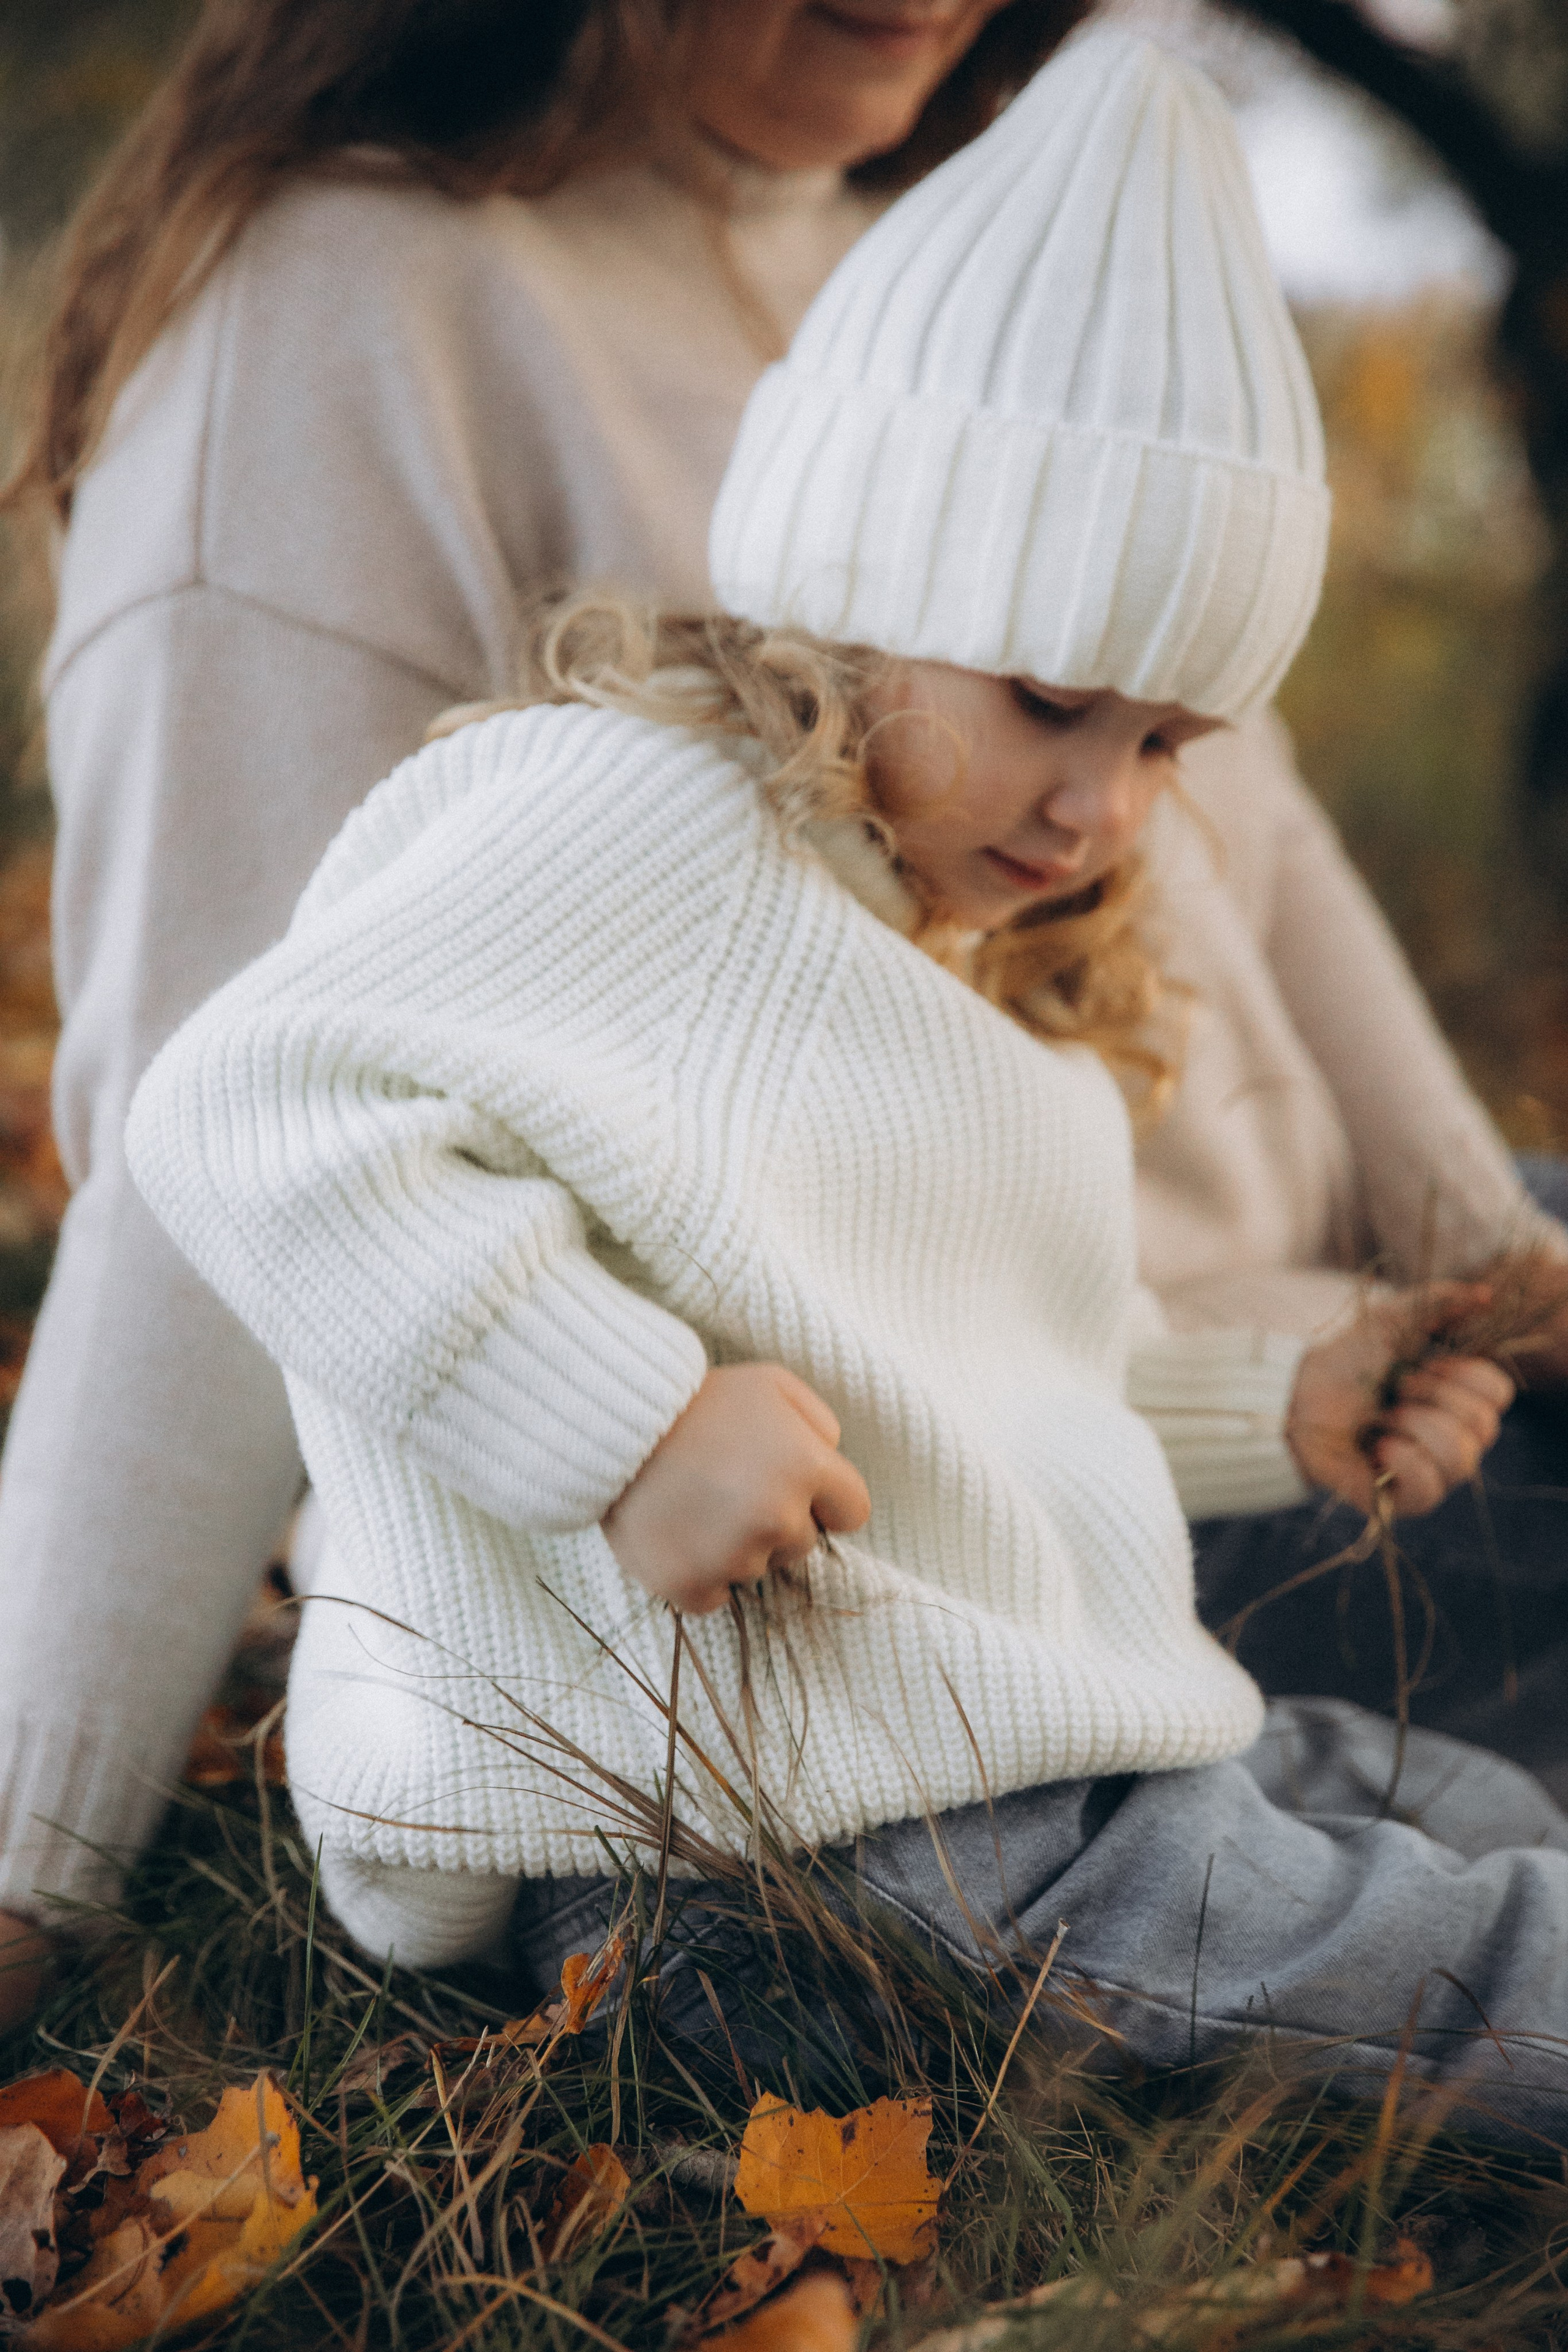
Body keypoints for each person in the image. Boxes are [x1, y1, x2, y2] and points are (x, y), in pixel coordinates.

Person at [129, 29, 1568, 2142]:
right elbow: (247, 1108)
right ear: (862, 589)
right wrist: (619, 1423)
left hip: (955, 1733)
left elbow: (947, 1379)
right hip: (759, 1850)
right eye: (1055, 702)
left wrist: (1265, 1411)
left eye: (1166, 744)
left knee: (1460, 1798)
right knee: (1459, 1982)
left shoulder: (914, 937)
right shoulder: (629, 808)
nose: (1099, 805)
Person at [0, 0, 1087, 2022]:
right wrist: (27, 1853)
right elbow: (227, 1115)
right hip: (807, 1613)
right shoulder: (352, 308)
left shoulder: (918, 251)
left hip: (1135, 1417)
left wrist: (1484, 1257)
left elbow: (1254, 877)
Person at [1130, 741, 1568, 1785]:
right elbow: (993, 1334)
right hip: (1175, 1378)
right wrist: (1364, 1330)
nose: (1105, 800)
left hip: (1336, 1218)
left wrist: (1496, 1256)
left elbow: (1272, 830)